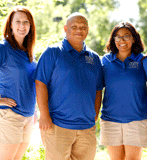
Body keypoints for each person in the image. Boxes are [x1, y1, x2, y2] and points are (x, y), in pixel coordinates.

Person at [34, 12, 103, 160]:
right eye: (74, 27)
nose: (79, 30)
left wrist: (95, 114)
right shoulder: (53, 52)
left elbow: (98, 89)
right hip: (58, 125)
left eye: (83, 27)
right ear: (65, 28)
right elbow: (40, 84)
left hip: (86, 127)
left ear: (88, 30)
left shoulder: (94, 58)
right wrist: (44, 116)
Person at [0, 6, 37, 160]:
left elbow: (28, 84)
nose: (22, 26)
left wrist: (34, 111)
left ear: (30, 26)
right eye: (18, 22)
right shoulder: (3, 48)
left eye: (26, 22)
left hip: (27, 117)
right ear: (10, 24)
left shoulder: (28, 52)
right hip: (8, 116)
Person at [100, 22, 147, 160]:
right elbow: (96, 88)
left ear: (134, 38)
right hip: (110, 120)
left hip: (136, 120)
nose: (122, 40)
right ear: (113, 40)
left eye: (126, 36)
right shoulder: (105, 61)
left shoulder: (143, 60)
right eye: (118, 37)